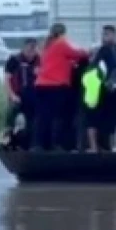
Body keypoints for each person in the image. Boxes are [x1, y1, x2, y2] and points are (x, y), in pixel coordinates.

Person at [33, 23, 89, 151]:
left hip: (41, 85)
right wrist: (88, 51)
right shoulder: (61, 43)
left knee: (43, 116)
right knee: (58, 116)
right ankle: (56, 145)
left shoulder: (47, 46)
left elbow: (57, 61)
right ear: (63, 33)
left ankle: (38, 145)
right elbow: (79, 54)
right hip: (56, 85)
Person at [85, 25, 116, 152]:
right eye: (104, 34)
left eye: (106, 34)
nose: (104, 37)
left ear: (113, 35)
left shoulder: (104, 51)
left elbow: (96, 69)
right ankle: (113, 145)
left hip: (103, 89)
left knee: (102, 118)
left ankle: (102, 145)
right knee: (114, 117)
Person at [1, 38, 40, 147]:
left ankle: (30, 144)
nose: (31, 52)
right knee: (12, 110)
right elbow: (6, 79)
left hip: (33, 96)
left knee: (33, 120)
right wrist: (12, 95)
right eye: (29, 48)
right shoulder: (14, 60)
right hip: (17, 95)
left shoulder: (40, 60)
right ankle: (7, 136)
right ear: (24, 48)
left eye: (34, 48)